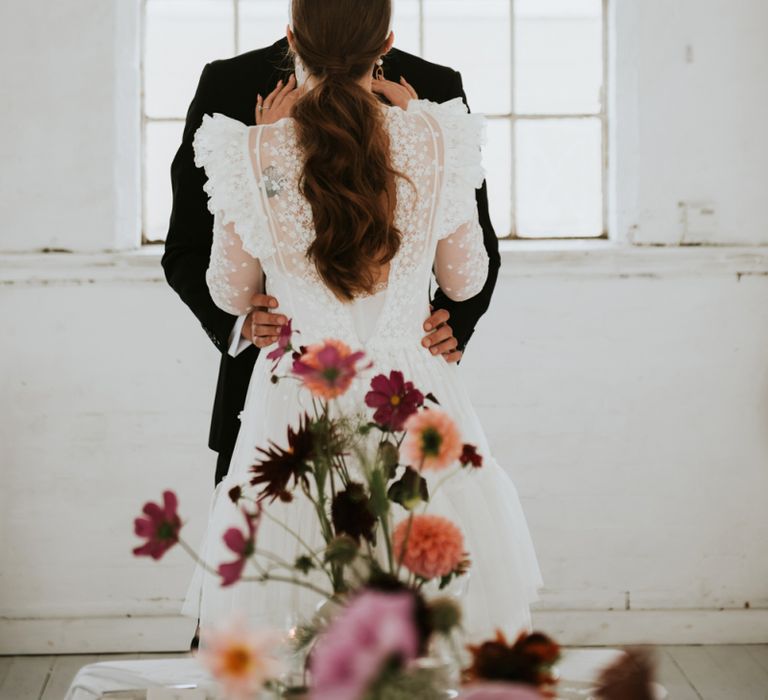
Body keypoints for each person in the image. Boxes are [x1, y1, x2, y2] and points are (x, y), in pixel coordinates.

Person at [178, 0, 543, 647]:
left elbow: (465, 270)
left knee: (345, 602)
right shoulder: (227, 84)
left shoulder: (435, 89)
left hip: (317, 388)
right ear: (387, 33)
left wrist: (453, 323)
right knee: (307, 615)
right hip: (334, 396)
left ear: (294, 31)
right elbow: (183, 247)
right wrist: (243, 326)